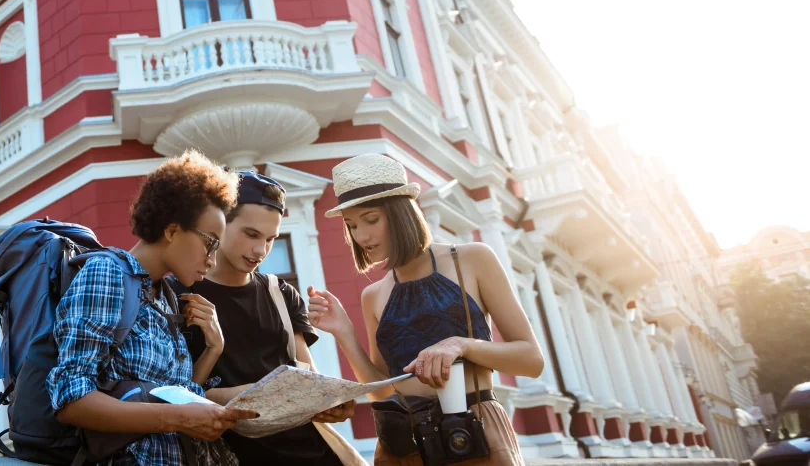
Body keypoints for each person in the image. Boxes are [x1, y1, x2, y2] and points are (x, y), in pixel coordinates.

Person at [307, 154, 545, 466]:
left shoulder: (473, 259)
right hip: (402, 445)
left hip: (474, 433)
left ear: (401, 212)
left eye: (371, 219)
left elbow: (531, 360)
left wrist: (461, 345)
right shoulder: (373, 295)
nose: (360, 236)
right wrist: (344, 333)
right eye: (351, 226)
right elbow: (383, 393)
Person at [47, 150, 257, 466]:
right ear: (172, 230)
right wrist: (177, 419)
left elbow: (173, 394)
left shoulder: (167, 295)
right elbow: (70, 398)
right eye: (210, 243)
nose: (213, 260)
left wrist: (214, 350)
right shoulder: (108, 274)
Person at [178, 171, 356, 466]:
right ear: (220, 223)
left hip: (314, 455)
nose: (260, 251)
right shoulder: (179, 294)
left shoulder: (281, 293)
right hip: (229, 456)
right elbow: (174, 394)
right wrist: (250, 394)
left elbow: (308, 377)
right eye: (251, 234)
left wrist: (331, 402)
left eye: (271, 239)